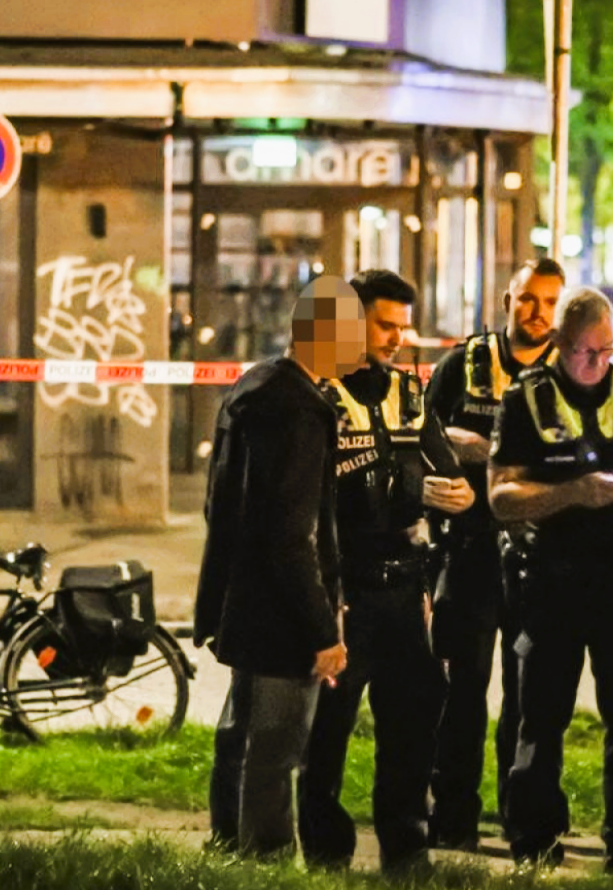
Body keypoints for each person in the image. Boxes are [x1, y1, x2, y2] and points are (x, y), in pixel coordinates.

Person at [488, 286, 613, 870]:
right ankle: (535, 843)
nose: (595, 365)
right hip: (553, 578)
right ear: (558, 344)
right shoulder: (525, 399)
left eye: (605, 351)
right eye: (583, 353)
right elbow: (499, 497)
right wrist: (572, 492)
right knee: (540, 716)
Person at [297, 270, 474, 874]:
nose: (398, 337)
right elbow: (318, 497)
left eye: (404, 326)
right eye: (385, 324)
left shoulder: (409, 391)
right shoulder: (319, 392)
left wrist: (457, 495)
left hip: (405, 588)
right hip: (345, 587)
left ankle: (407, 852)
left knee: (411, 728)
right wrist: (414, 488)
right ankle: (325, 856)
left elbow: (446, 471)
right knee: (326, 739)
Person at [195, 274, 365, 859]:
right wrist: (323, 631)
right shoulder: (301, 410)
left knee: (239, 736)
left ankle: (226, 845)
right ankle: (265, 860)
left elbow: (218, 503)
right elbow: (296, 535)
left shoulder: (252, 387)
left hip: (243, 601)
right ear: (324, 334)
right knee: (276, 746)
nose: (361, 348)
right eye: (354, 334)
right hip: (284, 615)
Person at [425, 258, 564, 851]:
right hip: (472, 549)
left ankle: (524, 821)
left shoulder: (570, 368)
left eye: (550, 302)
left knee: (529, 694)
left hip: (542, 557)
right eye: (529, 299)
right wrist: (459, 450)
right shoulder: (466, 361)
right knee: (462, 692)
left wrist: (495, 452)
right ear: (508, 298)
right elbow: (422, 431)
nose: (538, 313)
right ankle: (454, 820)